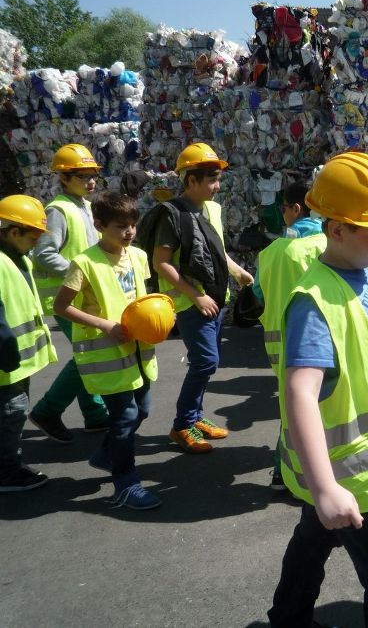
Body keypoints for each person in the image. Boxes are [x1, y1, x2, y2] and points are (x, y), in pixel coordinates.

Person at [268, 152, 368, 628]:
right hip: (356, 473)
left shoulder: (364, 273)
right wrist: (326, 486)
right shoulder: (316, 302)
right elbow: (301, 393)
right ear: (337, 230)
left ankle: (288, 618)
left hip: (351, 465)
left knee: (312, 541)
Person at [53, 191, 161, 510]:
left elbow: (139, 297)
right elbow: (61, 306)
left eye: (132, 225)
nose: (128, 232)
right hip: (107, 354)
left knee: (141, 409)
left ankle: (107, 453)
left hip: (139, 349)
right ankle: (125, 483)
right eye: (120, 226)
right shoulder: (84, 262)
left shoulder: (138, 256)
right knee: (126, 416)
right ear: (99, 225)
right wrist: (103, 325)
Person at [151, 142, 253, 453]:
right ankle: (182, 425)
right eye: (210, 179)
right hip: (192, 303)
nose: (217, 185)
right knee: (206, 362)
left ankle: (194, 417)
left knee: (206, 364)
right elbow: (161, 263)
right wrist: (196, 297)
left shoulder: (212, 209)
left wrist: (237, 272)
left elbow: (218, 251)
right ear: (190, 179)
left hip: (216, 299)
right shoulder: (172, 215)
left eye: (218, 177)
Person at [29, 144, 109, 442]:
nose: (90, 181)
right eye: (82, 176)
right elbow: (44, 254)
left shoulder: (85, 207)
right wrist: (80, 276)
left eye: (93, 176)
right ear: (63, 177)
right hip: (66, 297)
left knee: (87, 352)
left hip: (83, 295)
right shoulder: (58, 210)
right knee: (88, 355)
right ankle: (47, 410)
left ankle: (95, 414)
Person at [254, 181, 327, 491]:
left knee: (292, 408)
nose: (281, 212)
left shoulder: (271, 253)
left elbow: (258, 293)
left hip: (279, 344)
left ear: (296, 209)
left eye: (283, 207)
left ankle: (284, 473)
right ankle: (307, 476)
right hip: (323, 341)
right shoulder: (329, 245)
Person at [0, 195, 57, 492]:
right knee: (11, 415)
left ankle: (9, 465)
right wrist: (7, 352)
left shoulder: (17, 257)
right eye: (33, 236)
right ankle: (6, 473)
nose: (37, 243)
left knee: (12, 414)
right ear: (13, 232)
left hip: (15, 364)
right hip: (6, 365)